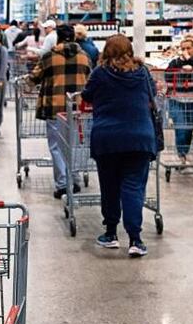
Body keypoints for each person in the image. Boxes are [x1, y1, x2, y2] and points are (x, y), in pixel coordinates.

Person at [81, 35, 158, 258]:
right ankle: (135, 239)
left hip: (108, 138)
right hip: (139, 138)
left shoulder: (100, 73)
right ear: (130, 50)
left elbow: (87, 96)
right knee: (133, 188)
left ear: (106, 50)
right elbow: (153, 98)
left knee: (110, 186)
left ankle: (111, 234)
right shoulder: (142, 72)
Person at [30, 23, 92, 199]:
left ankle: (63, 184)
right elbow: (91, 78)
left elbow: (34, 77)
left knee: (57, 146)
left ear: (57, 38)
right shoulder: (84, 57)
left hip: (55, 108)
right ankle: (74, 178)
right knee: (73, 144)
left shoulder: (49, 57)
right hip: (77, 108)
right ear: (73, 37)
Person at [165, 37, 193, 158]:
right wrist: (181, 63)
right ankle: (181, 154)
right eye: (183, 48)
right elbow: (167, 75)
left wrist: (190, 60)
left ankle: (184, 152)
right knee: (181, 126)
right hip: (176, 100)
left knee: (190, 127)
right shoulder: (175, 62)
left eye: (188, 48)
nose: (185, 50)